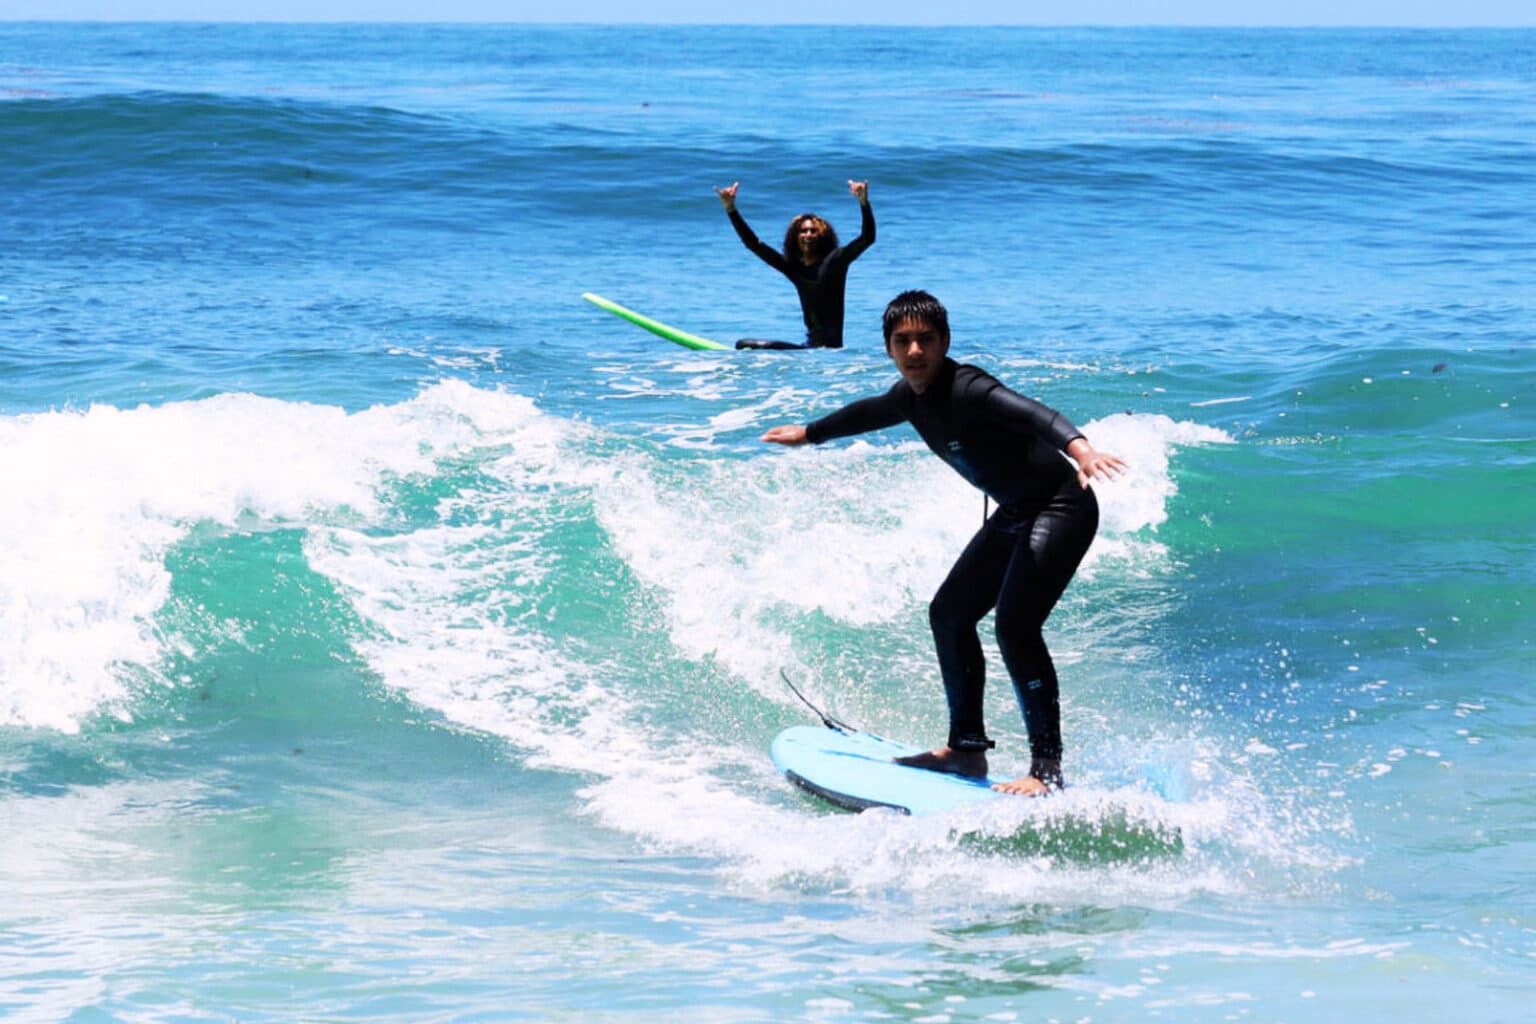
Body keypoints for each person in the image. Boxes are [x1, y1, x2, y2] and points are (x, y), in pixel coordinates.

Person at [760, 290, 1126, 796]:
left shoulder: (969, 387)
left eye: (925, 340)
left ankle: (1046, 770)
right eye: (902, 341)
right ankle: (966, 749)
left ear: (945, 342)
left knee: (1016, 627)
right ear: (888, 348)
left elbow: (1032, 413)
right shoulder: (907, 399)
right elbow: (865, 413)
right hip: (1019, 510)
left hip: (1061, 506)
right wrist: (809, 433)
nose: (914, 351)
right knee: (949, 614)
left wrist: (1081, 449)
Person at [713, 179, 875, 350]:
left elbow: (867, 238)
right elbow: (754, 245)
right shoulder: (793, 268)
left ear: (823, 236)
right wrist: (730, 209)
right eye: (803, 231)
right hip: (809, 348)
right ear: (795, 237)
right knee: (743, 344)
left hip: (827, 351)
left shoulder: (836, 261)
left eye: (814, 231)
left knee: (744, 345)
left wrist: (863, 202)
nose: (808, 234)